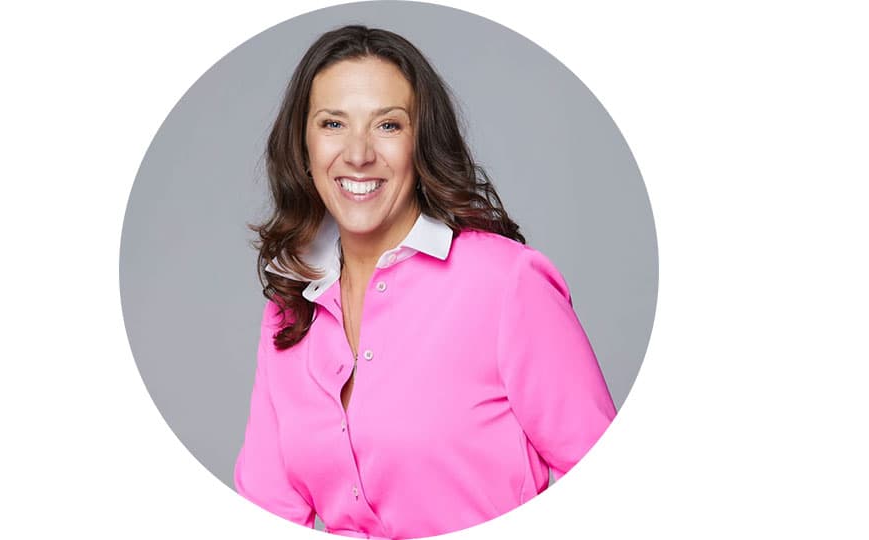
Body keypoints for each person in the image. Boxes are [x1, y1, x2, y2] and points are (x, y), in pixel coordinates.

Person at [234, 25, 616, 539]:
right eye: (333, 124)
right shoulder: (289, 312)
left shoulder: (506, 283)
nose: (358, 153)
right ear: (303, 146)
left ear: (421, 142)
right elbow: (266, 511)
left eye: (388, 126)